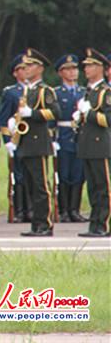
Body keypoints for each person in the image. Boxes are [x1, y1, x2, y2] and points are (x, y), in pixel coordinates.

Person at [7, 48, 60, 237]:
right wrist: (16, 121)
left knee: (40, 186)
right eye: (25, 66)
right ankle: (36, 224)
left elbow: (55, 112)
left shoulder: (45, 90)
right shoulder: (28, 90)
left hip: (38, 143)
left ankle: (45, 224)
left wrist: (33, 114)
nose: (26, 68)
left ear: (39, 68)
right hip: (26, 143)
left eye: (29, 65)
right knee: (30, 185)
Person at [75, 48, 111, 237]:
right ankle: (94, 223)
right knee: (93, 188)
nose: (86, 69)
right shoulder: (88, 92)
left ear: (99, 67)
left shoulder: (106, 92)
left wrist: (88, 114)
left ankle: (103, 224)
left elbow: (108, 120)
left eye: (90, 66)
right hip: (88, 145)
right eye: (86, 66)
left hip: (101, 145)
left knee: (103, 187)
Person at [0, 53, 31, 223]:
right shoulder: (10, 93)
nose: (26, 71)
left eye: (27, 68)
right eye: (22, 69)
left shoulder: (37, 90)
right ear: (15, 73)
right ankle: (19, 209)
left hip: (33, 140)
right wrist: (8, 142)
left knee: (32, 175)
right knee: (18, 175)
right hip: (17, 139)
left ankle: (31, 209)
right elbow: (3, 120)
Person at [53, 54, 87, 222]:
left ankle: (75, 209)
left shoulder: (84, 92)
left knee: (78, 175)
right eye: (68, 69)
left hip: (80, 137)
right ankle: (64, 210)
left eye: (74, 68)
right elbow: (52, 119)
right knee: (64, 174)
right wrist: (53, 139)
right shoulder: (57, 93)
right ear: (60, 73)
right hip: (64, 136)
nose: (73, 72)